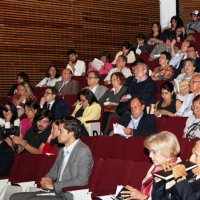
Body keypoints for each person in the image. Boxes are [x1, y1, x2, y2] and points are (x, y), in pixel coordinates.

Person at [10, 117, 93, 200]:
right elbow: (54, 171)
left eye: (60, 131)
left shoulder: (83, 151)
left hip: (68, 195)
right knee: (15, 197)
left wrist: (54, 185)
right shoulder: (62, 150)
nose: (57, 133)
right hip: (56, 193)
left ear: (71, 133)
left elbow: (82, 180)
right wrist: (47, 179)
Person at [121, 131, 180, 199]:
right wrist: (133, 194)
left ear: (168, 153)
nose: (150, 155)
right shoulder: (156, 166)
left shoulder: (177, 173)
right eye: (150, 151)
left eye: (154, 152)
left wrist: (141, 197)